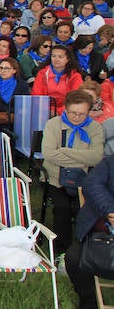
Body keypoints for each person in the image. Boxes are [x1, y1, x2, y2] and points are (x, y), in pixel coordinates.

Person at [40, 89, 104, 254]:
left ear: (88, 112)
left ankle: (86, 248)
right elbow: (49, 154)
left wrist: (66, 151)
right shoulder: (53, 124)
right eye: (73, 113)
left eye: (82, 114)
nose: (76, 117)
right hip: (55, 177)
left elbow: (96, 157)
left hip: (84, 180)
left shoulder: (95, 128)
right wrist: (82, 159)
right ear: (65, 110)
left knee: (85, 207)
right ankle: (63, 251)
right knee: (62, 206)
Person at [63, 155, 114, 309]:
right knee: (73, 257)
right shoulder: (109, 162)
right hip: (100, 234)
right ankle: (89, 303)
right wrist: (110, 211)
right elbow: (91, 184)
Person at [32, 44, 84, 112]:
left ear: (68, 59)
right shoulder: (42, 73)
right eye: (53, 56)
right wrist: (47, 111)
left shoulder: (75, 76)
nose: (56, 59)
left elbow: (75, 98)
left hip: (68, 111)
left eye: (60, 57)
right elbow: (36, 95)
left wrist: (58, 111)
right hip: (43, 111)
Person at [0, 58, 31, 130]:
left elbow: (23, 105)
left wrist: (9, 113)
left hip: (15, 120)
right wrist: (8, 111)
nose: (3, 71)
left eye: (7, 68)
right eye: (1, 68)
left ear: (14, 70)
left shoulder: (22, 84)